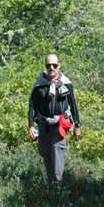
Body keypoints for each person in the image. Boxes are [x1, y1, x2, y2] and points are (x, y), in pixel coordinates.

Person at [28, 53, 82, 185]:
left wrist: (77, 125)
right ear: (45, 66)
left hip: (60, 125)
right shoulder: (39, 85)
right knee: (45, 154)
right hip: (43, 125)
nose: (51, 67)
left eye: (54, 65)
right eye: (48, 65)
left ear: (59, 65)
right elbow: (32, 106)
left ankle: (57, 185)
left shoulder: (66, 84)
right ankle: (51, 182)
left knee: (57, 152)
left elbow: (73, 104)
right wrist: (31, 125)